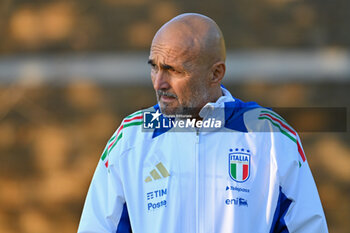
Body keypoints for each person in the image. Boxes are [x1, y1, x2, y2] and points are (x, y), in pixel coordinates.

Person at [77, 13, 328, 233]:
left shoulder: (271, 136)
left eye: (173, 70)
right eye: (154, 67)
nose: (158, 83)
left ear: (216, 73)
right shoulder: (131, 138)